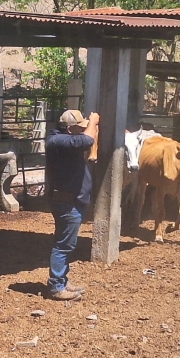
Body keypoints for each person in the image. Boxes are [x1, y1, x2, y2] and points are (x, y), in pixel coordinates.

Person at [44, 109, 99, 301]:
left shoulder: (61, 139)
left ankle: (61, 280)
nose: (83, 130)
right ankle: (56, 286)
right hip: (66, 202)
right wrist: (93, 121)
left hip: (69, 200)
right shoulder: (58, 141)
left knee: (65, 242)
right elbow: (87, 140)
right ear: (69, 129)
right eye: (79, 127)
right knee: (63, 245)